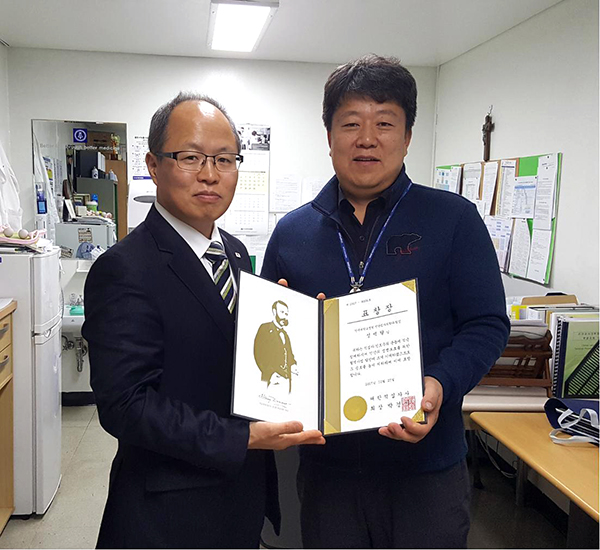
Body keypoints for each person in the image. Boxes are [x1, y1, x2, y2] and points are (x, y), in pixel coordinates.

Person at [261, 55, 510, 549]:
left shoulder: (453, 219)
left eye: (385, 123)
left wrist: (440, 384)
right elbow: (269, 337)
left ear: (408, 136)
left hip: (426, 472)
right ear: (329, 135)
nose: (367, 139)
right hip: (328, 471)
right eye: (351, 123)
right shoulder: (292, 233)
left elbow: (486, 324)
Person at [82, 92, 324, 549]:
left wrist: (293, 324)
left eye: (225, 159)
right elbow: (126, 406)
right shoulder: (124, 268)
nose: (210, 174)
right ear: (154, 166)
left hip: (239, 499)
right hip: (167, 514)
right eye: (190, 157)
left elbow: (227, 350)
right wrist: (241, 438)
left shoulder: (234, 251)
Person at [254, 300, 297, 392]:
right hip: (270, 380)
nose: (285, 316)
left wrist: (293, 364)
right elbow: (258, 353)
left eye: (286, 314)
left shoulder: (285, 335)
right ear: (274, 312)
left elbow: (289, 354)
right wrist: (270, 373)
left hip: (286, 380)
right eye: (282, 312)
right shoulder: (264, 328)